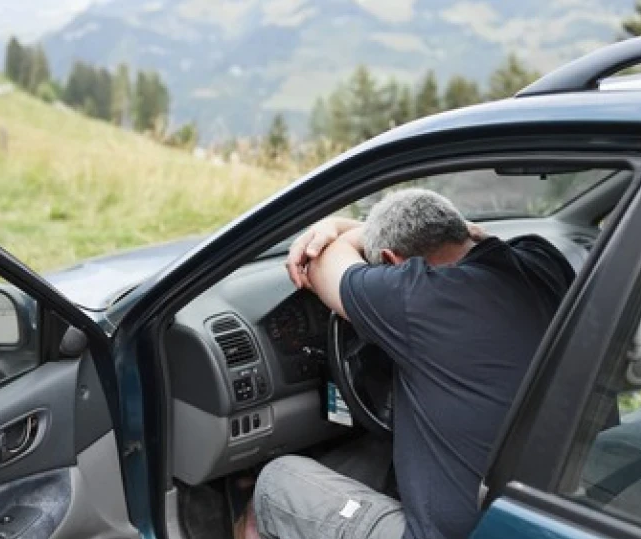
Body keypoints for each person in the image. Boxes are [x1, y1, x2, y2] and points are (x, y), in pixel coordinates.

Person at [241, 188, 576, 539]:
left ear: (391, 261)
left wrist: (333, 227)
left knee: (274, 484)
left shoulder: (416, 296)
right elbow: (474, 232)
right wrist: (361, 229)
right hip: (546, 511)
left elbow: (322, 263)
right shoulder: (542, 258)